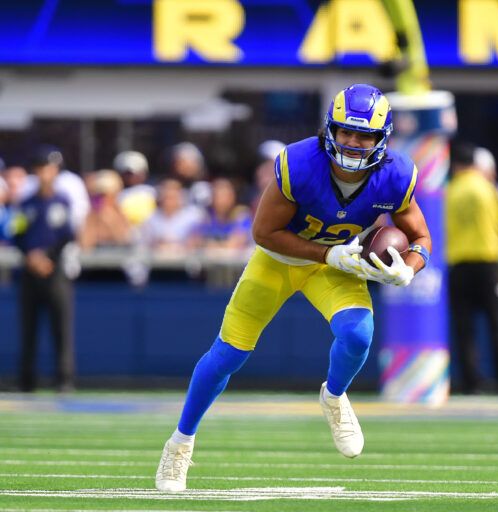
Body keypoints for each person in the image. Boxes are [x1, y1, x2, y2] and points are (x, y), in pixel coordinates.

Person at [155, 84, 431, 492]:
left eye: (365, 135)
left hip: (335, 265)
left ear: (381, 139)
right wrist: (326, 256)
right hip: (281, 261)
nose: (354, 143)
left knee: (358, 335)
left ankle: (334, 397)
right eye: (346, 133)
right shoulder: (301, 163)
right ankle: (180, 444)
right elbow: (263, 232)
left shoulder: (395, 175)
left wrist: (408, 269)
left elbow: (421, 239)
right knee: (227, 355)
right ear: (330, 131)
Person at [445, 141, 498, 396]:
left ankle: (471, 383)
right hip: (490, 265)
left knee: (464, 328)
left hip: (458, 265)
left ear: (455, 166)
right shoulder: (494, 191)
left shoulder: (448, 191)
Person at [11, 147, 76, 392]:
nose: (45, 174)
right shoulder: (26, 204)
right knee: (28, 328)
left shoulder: (62, 201)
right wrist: (30, 256)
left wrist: (46, 257)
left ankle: (64, 380)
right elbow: (17, 234)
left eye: (49, 169)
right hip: (30, 272)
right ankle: (26, 381)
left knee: (61, 327)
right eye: (40, 169)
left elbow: (67, 235)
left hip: (55, 271)